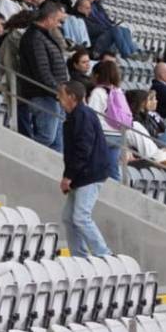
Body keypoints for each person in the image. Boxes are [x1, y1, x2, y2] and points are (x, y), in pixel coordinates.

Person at [59, 80, 113, 257]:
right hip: (82, 174)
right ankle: (79, 255)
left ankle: (104, 254)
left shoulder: (82, 115)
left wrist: (68, 177)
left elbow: (83, 149)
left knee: (81, 217)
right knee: (69, 217)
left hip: (89, 173)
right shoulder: (78, 115)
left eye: (62, 95)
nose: (59, 99)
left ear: (72, 97)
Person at [20, 1, 68, 151]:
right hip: (43, 95)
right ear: (49, 18)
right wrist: (59, 91)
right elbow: (42, 72)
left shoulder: (42, 36)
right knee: (47, 137)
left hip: (54, 96)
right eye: (58, 21)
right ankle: (27, 157)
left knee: (57, 142)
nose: (59, 25)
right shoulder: (35, 38)